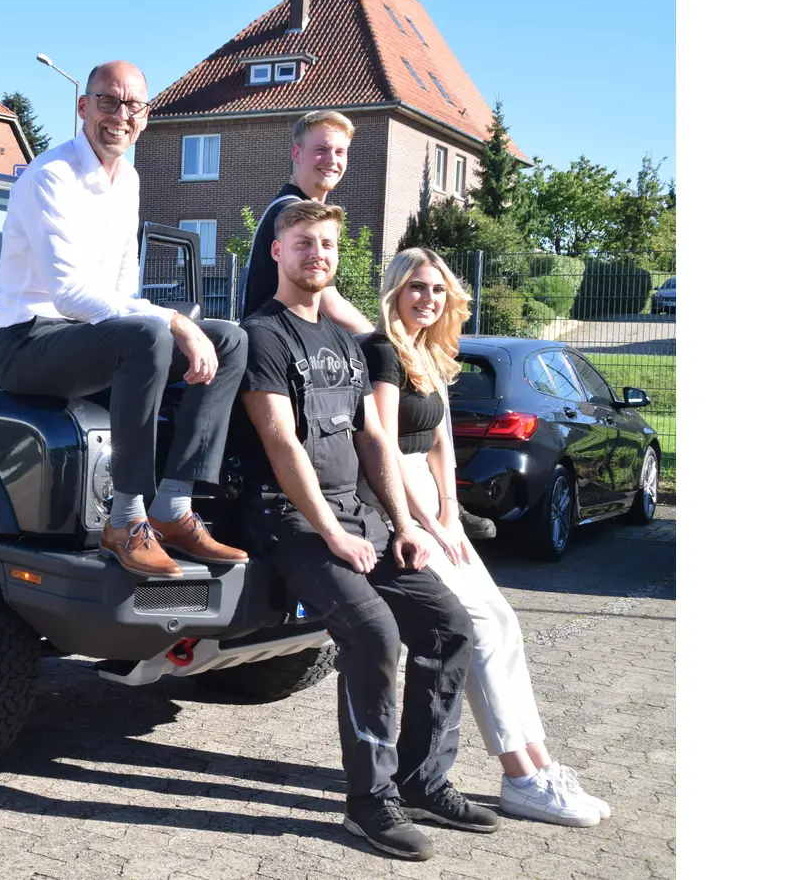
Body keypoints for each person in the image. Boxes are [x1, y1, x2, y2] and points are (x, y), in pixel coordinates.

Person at [235, 201, 497, 861]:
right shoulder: (261, 335)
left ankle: (422, 780)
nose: (317, 254)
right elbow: (280, 441)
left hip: (360, 516)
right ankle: (369, 803)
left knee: (450, 626)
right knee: (374, 633)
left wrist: (403, 525)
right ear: (276, 251)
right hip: (290, 520)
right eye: (303, 243)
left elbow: (373, 435)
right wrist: (330, 531)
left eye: (327, 244)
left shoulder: (346, 342)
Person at [359, 247, 611, 827]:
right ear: (396, 291)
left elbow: (442, 446)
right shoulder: (383, 352)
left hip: (435, 503)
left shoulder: (430, 354)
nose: (427, 298)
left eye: (438, 290)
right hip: (395, 498)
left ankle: (539, 764)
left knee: (504, 621)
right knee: (473, 625)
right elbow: (385, 453)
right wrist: (424, 523)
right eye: (416, 287)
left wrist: (452, 514)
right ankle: (519, 775)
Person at [0, 60, 249, 578]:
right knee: (151, 331)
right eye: (108, 101)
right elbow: (69, 294)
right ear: (83, 107)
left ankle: (173, 508)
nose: (120, 115)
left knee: (230, 340)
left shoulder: (128, 178)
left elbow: (122, 289)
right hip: (28, 342)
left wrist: (176, 325)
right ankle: (124, 520)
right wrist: (174, 322)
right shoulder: (51, 177)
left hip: (91, 339)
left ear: (146, 117)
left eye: (132, 105)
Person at [236, 110, 374, 335]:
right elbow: (331, 306)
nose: (332, 160)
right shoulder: (292, 212)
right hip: (278, 353)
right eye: (321, 150)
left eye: (340, 152)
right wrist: (387, 344)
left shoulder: (293, 207)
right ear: (296, 154)